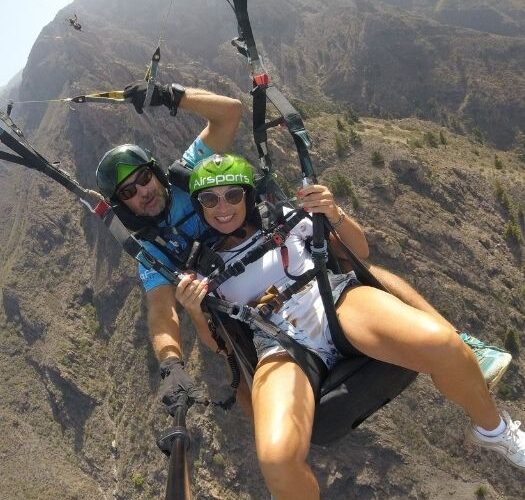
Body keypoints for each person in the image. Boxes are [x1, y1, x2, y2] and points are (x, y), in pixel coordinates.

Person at [172, 154, 524, 497]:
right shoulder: (202, 265)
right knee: (276, 459)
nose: (223, 207)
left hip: (327, 296)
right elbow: (221, 346)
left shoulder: (286, 218)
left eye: (232, 195)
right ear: (199, 204)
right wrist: (194, 310)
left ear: (248, 196)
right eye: (210, 198)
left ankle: (493, 430)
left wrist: (333, 213)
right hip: (275, 336)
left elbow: (359, 249)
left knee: (442, 344)